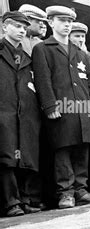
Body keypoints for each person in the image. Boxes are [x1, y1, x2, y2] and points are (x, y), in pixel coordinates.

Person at [32, 5, 90, 209]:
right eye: (62, 21)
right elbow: (43, 80)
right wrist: (49, 105)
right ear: (51, 22)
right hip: (61, 107)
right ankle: (66, 193)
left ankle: (81, 190)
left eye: (69, 21)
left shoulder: (79, 52)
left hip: (82, 108)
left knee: (82, 149)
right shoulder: (43, 49)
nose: (66, 25)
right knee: (63, 150)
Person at [0, 11, 43, 216]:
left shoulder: (26, 57)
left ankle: (25, 199)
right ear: (4, 27)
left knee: (25, 155)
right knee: (7, 156)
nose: (21, 31)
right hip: (4, 112)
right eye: (17, 26)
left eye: (24, 28)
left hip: (26, 114)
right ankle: (11, 202)